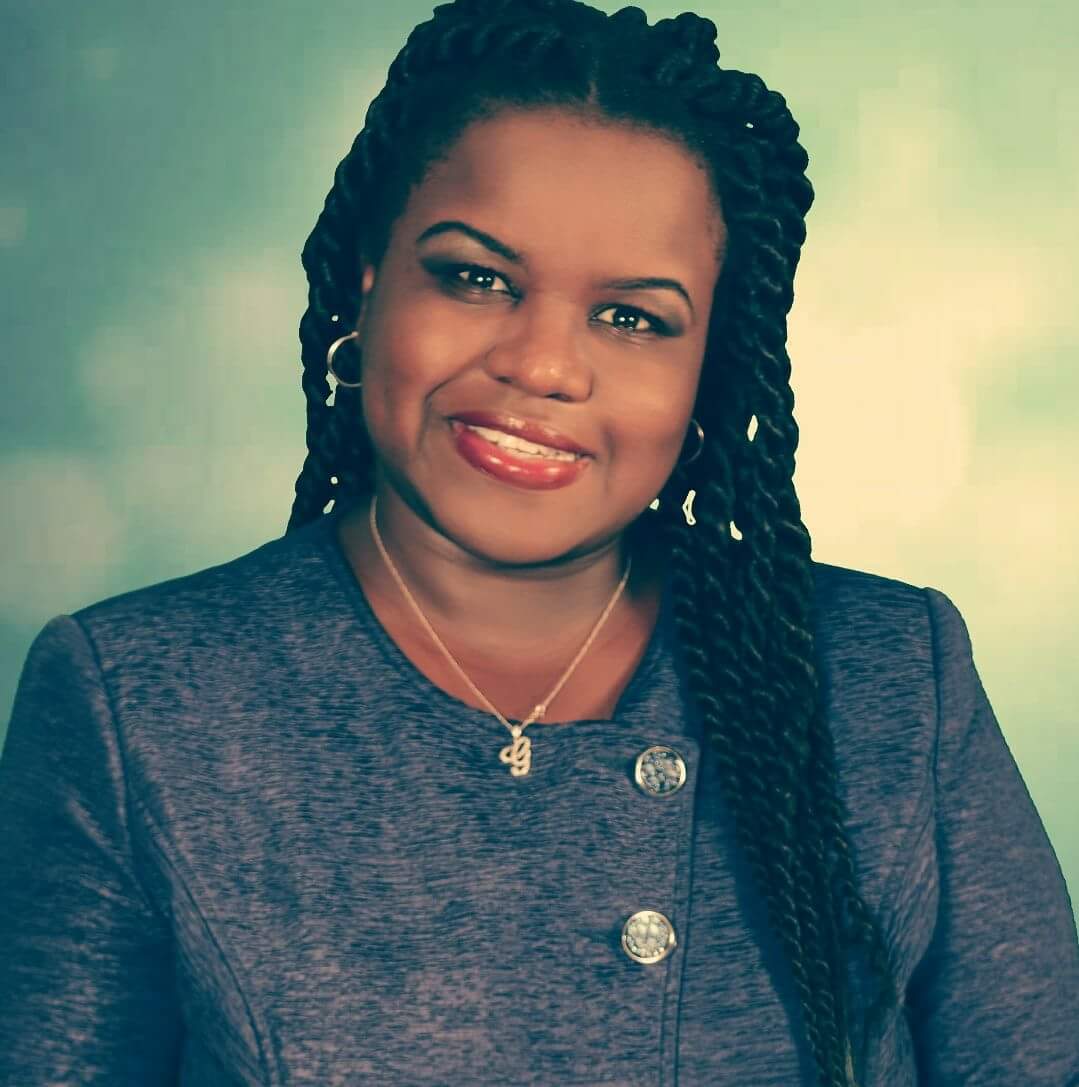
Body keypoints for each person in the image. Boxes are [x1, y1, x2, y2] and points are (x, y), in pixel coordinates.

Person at [1, 0, 1076, 1084]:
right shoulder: (138, 698)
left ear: (707, 374)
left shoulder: (890, 673)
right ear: (368, 283)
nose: (544, 365)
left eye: (632, 317)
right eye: (476, 277)